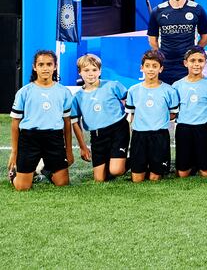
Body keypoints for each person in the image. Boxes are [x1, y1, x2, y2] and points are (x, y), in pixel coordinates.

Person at [8, 50, 73, 191]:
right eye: (41, 64)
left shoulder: (64, 92)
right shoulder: (24, 92)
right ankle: (14, 175)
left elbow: (67, 123)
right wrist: (14, 152)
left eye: (49, 64)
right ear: (34, 67)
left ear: (55, 67)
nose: (45, 68)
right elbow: (15, 124)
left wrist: (69, 150)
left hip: (54, 138)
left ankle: (44, 169)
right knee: (23, 187)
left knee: (62, 183)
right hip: (30, 139)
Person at [70, 54, 129, 182]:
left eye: (94, 70)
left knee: (116, 171)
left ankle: (138, 161)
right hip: (97, 136)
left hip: (118, 130)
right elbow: (75, 124)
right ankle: (113, 159)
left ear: (100, 71)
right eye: (86, 70)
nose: (91, 74)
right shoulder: (77, 97)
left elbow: (130, 102)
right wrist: (83, 146)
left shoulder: (113, 86)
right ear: (80, 72)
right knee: (100, 179)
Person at [147, 0, 207, 84]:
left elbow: (205, 37)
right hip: (165, 67)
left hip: (188, 67)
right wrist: (161, 56)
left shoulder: (197, 9)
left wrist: (193, 53)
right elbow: (152, 40)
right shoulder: (157, 11)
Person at [126, 50, 180, 182]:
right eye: (148, 65)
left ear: (161, 69)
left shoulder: (169, 91)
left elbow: (173, 114)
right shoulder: (133, 90)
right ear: (142, 68)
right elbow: (131, 115)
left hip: (159, 136)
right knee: (137, 179)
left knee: (155, 177)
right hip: (139, 136)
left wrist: (157, 119)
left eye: (155, 66)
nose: (151, 69)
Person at [173, 46, 207, 178]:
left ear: (205, 62)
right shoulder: (177, 85)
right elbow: (174, 110)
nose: (196, 64)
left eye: (200, 61)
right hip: (184, 128)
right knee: (183, 174)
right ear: (185, 63)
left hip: (205, 129)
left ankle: (202, 161)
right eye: (192, 60)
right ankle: (191, 162)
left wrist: (204, 118)